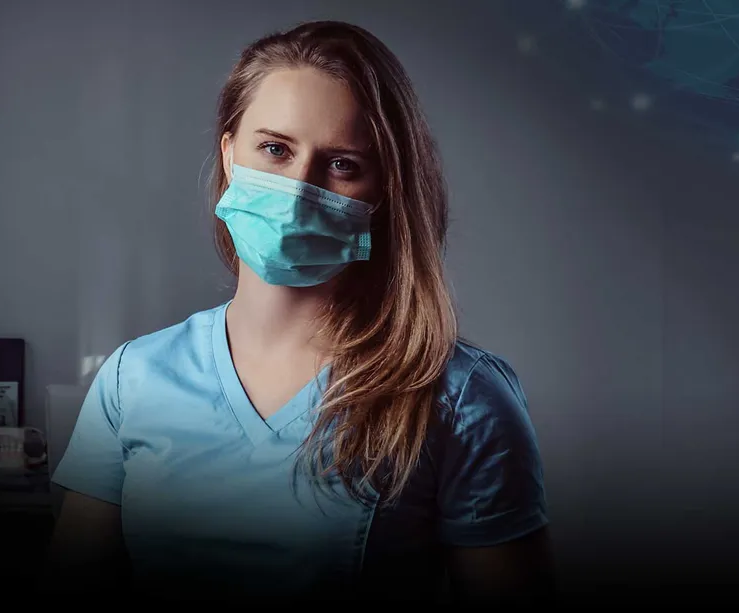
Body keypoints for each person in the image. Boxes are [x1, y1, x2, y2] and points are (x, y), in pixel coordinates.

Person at [44, 20, 553, 603]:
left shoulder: (460, 397)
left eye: (341, 164)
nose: (298, 187)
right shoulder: (133, 377)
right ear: (230, 153)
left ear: (382, 191)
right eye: (275, 149)